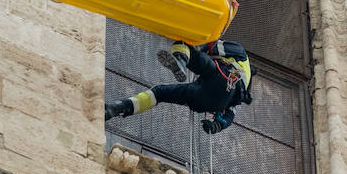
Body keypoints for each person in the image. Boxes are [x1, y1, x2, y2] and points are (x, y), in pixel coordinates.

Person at [105, 39, 252, 134]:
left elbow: (211, 46)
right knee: (160, 93)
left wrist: (194, 48)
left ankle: (181, 62)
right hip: (211, 102)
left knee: (181, 45)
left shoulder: (240, 52)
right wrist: (216, 126)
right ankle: (116, 109)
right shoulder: (242, 89)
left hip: (219, 75)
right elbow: (230, 115)